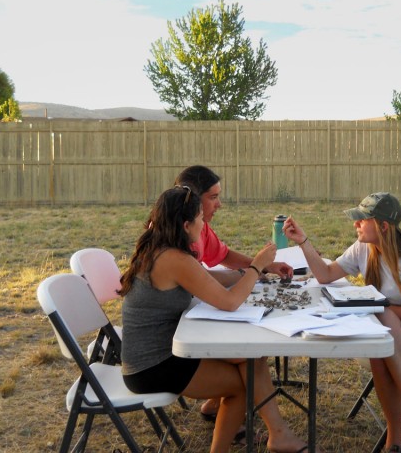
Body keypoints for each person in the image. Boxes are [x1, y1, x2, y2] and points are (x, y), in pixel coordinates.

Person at [119, 186, 310, 453]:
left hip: (163, 350)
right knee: (243, 387)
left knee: (251, 357)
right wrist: (256, 266)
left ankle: (279, 435)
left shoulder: (162, 247)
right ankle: (255, 441)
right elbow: (230, 303)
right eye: (200, 219)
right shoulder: (173, 258)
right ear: (186, 225)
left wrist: (256, 271)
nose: (203, 224)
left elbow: (209, 279)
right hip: (151, 366)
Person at [283, 192, 401, 453]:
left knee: (383, 338)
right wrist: (303, 242)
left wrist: (377, 304)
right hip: (391, 328)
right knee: (381, 340)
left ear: (383, 226)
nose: (355, 224)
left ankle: (397, 438)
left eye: (362, 220)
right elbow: (325, 275)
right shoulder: (365, 248)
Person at [175, 165, 294, 420]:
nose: (219, 204)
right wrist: (254, 268)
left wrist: (265, 266)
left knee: (251, 348)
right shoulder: (177, 235)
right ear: (193, 200)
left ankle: (217, 405)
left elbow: (223, 256)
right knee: (251, 351)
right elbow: (222, 295)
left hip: (189, 317)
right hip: (177, 333)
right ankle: (275, 432)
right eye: (213, 197)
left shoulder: (196, 224)